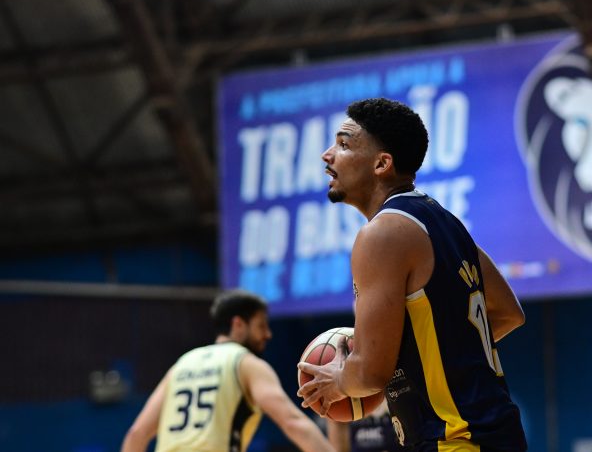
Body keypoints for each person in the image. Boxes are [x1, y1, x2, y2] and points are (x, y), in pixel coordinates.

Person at [297, 98, 528, 451]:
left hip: (454, 440)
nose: (327, 155)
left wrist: (339, 380)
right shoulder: (445, 223)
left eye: (343, 144)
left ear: (381, 164)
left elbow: (370, 372)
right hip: (498, 435)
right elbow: (509, 312)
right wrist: (428, 360)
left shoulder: (382, 234)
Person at [121, 290, 337, 452]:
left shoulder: (182, 364)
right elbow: (293, 422)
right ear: (238, 324)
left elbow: (136, 434)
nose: (268, 334)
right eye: (261, 326)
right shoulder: (246, 363)